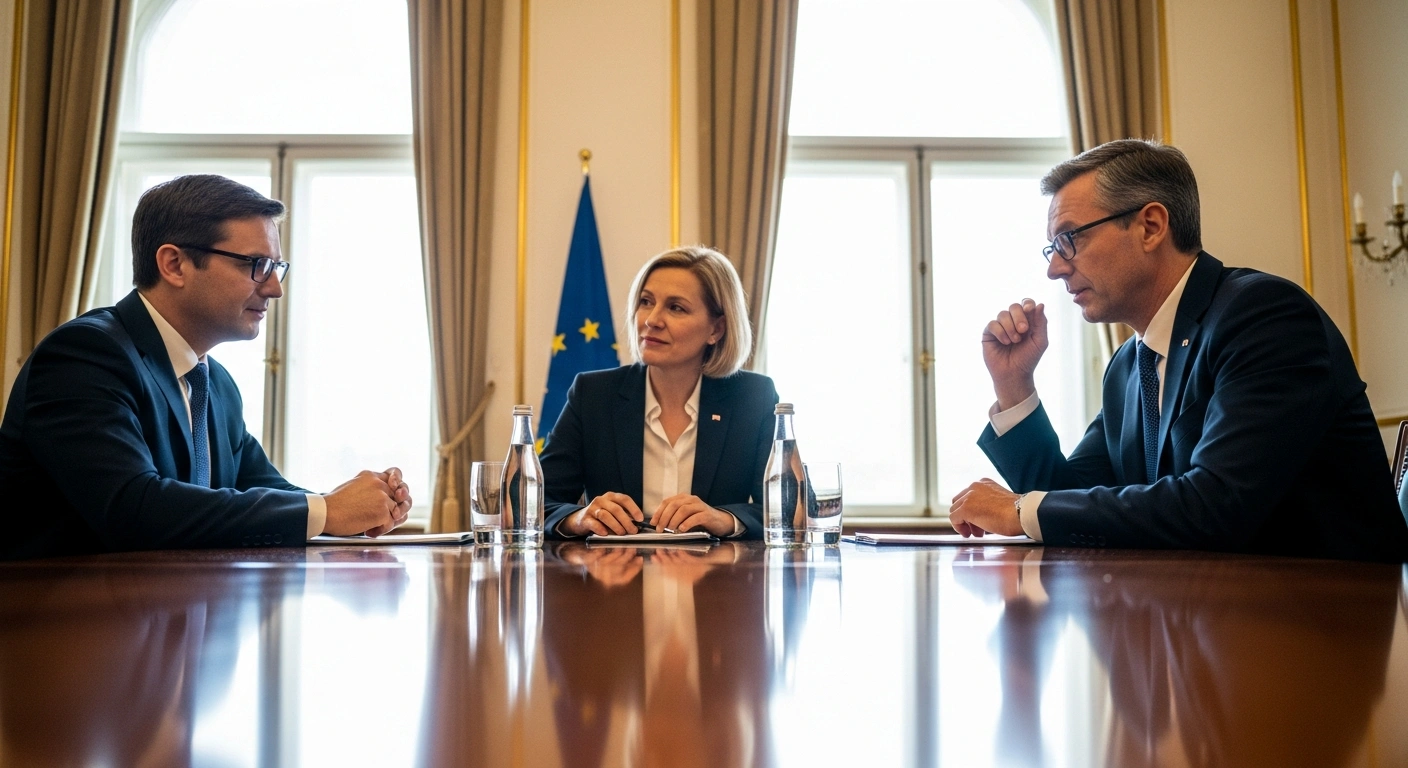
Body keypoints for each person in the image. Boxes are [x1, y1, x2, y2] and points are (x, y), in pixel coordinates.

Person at [948, 139, 1408, 562]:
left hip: (1332, 626)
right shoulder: (1128, 366)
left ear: (1150, 226)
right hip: (1204, 621)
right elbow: (1067, 498)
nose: (1055, 269)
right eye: (1052, 247)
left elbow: (1215, 506)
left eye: (1070, 238)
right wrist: (1015, 387)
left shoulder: (1265, 317)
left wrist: (1020, 508)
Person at [0, 174, 411, 559]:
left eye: (276, 267)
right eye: (257, 265)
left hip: (165, 621)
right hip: (61, 626)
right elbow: (132, 510)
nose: (274, 288)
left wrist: (358, 509)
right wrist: (326, 511)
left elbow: (264, 491)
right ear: (174, 264)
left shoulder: (216, 383)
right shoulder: (85, 354)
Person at [540, 245, 778, 538]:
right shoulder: (594, 395)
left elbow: (791, 507)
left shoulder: (753, 397)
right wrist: (580, 518)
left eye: (676, 307)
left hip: (716, 578)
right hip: (615, 578)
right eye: (645, 302)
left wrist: (726, 519)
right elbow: (531, 502)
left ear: (716, 329)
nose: (652, 320)